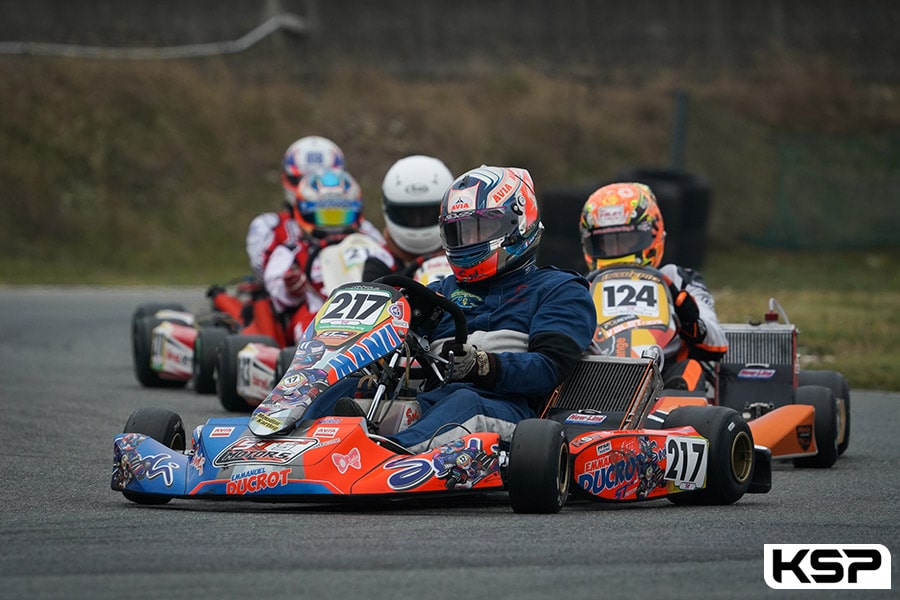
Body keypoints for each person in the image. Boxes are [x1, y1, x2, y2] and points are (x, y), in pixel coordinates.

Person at [303, 165, 597, 453]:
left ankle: (386, 457)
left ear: (518, 224)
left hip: (509, 412)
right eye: (461, 233)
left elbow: (548, 369)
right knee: (347, 389)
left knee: (464, 400)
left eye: (480, 229)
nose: (469, 242)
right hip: (431, 401)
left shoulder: (559, 289)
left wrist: (484, 365)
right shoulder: (442, 291)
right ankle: (290, 445)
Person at [578, 181, 728, 391]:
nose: (618, 250)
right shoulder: (582, 286)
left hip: (667, 378)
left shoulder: (677, 279)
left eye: (628, 240)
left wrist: (690, 318)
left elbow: (717, 342)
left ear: (652, 233)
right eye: (606, 242)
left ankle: (680, 412)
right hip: (600, 379)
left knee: (690, 368)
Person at [263, 167, 387, 344]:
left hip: (375, 311)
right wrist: (291, 287)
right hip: (319, 316)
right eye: (326, 215)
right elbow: (275, 289)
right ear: (305, 213)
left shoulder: (369, 239)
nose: (333, 226)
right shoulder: (293, 249)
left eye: (341, 215)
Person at [246, 136, 347, 279]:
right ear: (286, 178)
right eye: (302, 180)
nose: (311, 188)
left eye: (320, 181)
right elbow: (264, 272)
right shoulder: (268, 226)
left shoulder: (360, 226)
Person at [361, 155, 455, 283]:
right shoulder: (380, 262)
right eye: (409, 214)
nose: (418, 221)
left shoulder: (463, 253)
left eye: (427, 213)